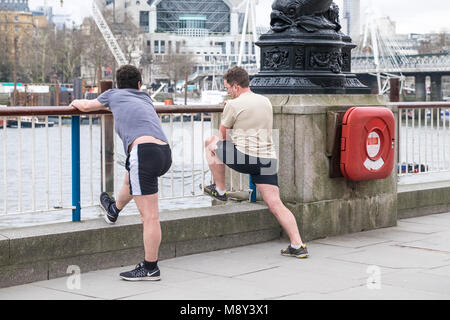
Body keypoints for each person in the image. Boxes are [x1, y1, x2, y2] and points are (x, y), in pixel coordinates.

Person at [70, 65, 172, 281]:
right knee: (130, 179)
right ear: (139, 85)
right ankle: (113, 210)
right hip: (163, 151)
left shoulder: (112, 95)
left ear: (116, 84)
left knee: (150, 217)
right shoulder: (145, 98)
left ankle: (150, 268)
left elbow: (87, 106)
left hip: (142, 152)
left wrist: (74, 103)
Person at [203, 66, 308, 259]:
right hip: (268, 159)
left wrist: (228, 108)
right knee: (276, 203)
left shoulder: (233, 105)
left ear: (235, 87)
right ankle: (297, 244)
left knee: (211, 142)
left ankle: (219, 189)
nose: (227, 91)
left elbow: (223, 136)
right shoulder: (265, 101)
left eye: (227, 88)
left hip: (246, 159)